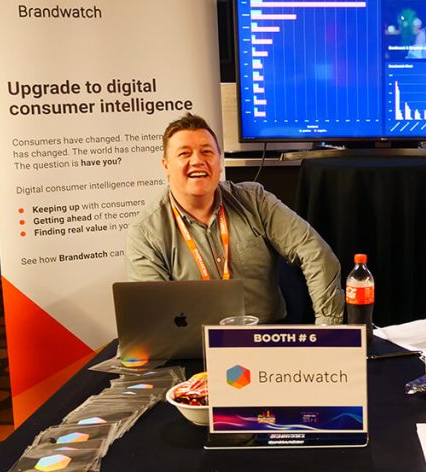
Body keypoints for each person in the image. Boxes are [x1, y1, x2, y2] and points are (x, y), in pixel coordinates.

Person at [125, 113, 344, 324]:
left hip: (265, 337)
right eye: (184, 153)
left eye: (206, 152)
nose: (197, 160)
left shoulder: (256, 201)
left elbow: (316, 253)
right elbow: (154, 315)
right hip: (194, 345)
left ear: (219, 163)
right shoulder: (146, 232)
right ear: (166, 166)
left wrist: (328, 329)